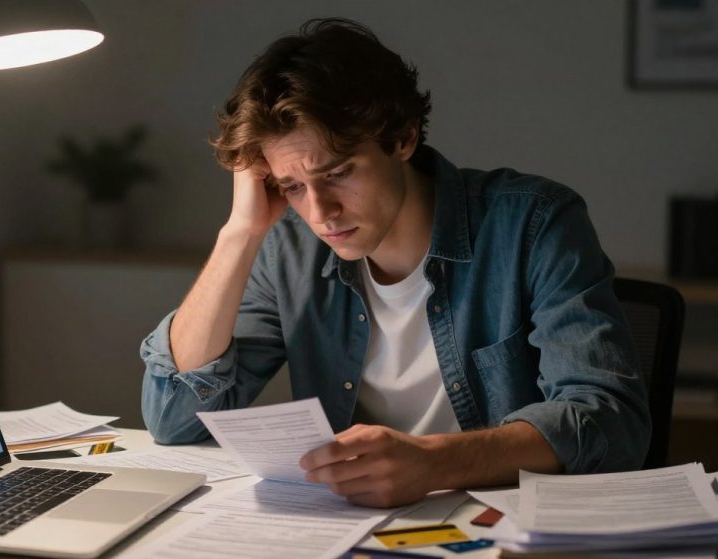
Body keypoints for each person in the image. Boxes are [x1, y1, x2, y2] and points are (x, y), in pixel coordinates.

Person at [140, 18, 649, 508]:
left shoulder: (534, 223)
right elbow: (175, 420)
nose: (320, 213)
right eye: (291, 186)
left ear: (403, 138)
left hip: (497, 526)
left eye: (337, 173)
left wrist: (434, 463)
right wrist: (240, 234)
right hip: (358, 530)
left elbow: (609, 421)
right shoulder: (288, 249)